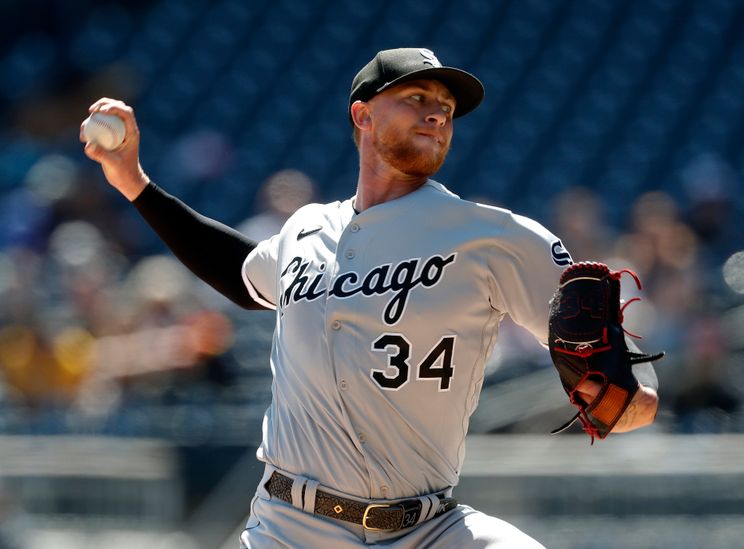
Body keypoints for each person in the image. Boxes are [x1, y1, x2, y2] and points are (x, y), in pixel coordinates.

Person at [82, 48, 659, 548]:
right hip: (290, 526)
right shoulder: (306, 230)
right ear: (362, 114)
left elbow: (632, 397)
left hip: (428, 528)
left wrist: (626, 400)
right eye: (416, 96)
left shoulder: (494, 237)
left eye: (446, 107)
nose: (436, 112)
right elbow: (239, 273)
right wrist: (135, 181)